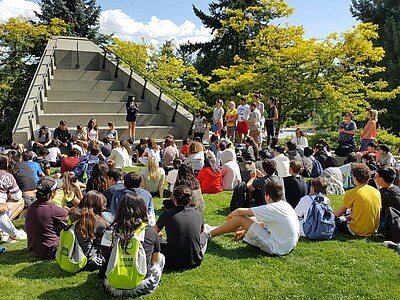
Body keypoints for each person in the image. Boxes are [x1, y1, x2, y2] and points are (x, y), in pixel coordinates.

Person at [206, 181, 300, 256]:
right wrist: (244, 231)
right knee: (254, 219)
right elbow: (263, 223)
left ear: (267, 196)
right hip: (287, 245)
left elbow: (239, 211)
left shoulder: (271, 208)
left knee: (240, 218)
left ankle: (209, 234)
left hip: (277, 247)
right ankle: (215, 229)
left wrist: (231, 215)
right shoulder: (284, 205)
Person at [100, 193, 164, 298]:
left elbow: (105, 256)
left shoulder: (110, 231)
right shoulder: (150, 231)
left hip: (111, 285)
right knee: (161, 257)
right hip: (140, 286)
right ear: (143, 209)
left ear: (120, 210)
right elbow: (155, 259)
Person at [155, 185, 208, 269]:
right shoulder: (198, 213)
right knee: (205, 235)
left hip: (171, 261)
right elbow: (200, 232)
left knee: (156, 238)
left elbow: (154, 232)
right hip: (195, 260)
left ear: (174, 199)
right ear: (190, 200)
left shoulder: (167, 214)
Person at [25, 177, 69, 259]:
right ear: (52, 193)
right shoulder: (52, 209)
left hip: (34, 250)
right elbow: (73, 220)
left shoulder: (31, 206)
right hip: (51, 251)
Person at [334, 163, 381, 236]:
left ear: (355, 178)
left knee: (336, 219)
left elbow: (338, 213)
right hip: (373, 229)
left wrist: (329, 213)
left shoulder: (353, 192)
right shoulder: (376, 192)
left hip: (356, 230)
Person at [69, 190, 107, 271]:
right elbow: (109, 232)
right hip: (90, 260)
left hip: (72, 255)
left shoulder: (72, 214)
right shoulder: (97, 222)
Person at [0, 155, 26, 243]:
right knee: (20, 201)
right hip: (1, 206)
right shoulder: (7, 176)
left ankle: (4, 230)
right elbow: (17, 196)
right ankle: (8, 232)